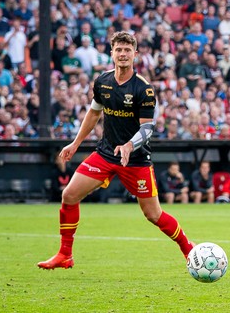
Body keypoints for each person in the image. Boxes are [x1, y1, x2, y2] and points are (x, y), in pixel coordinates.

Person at [38, 32, 194, 270]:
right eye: (118, 50)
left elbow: (148, 128)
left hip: (136, 160)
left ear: (135, 55)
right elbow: (93, 113)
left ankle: (187, 248)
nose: (123, 54)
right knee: (69, 195)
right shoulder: (102, 81)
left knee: (153, 215)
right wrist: (76, 143)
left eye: (127, 50)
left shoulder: (144, 89)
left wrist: (130, 145)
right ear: (112, 53)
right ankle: (65, 255)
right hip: (106, 153)